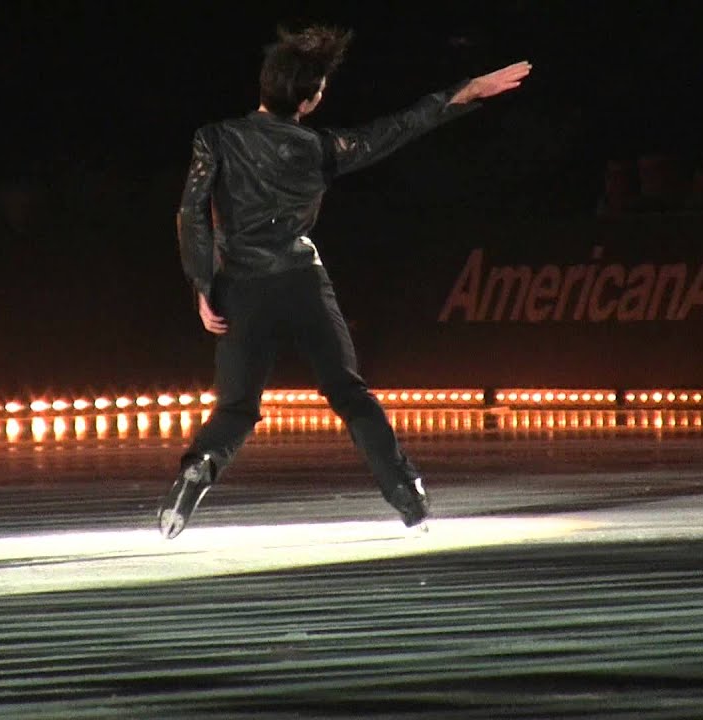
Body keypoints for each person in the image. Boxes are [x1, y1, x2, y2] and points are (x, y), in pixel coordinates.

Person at [158, 25, 532, 539]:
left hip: (240, 288)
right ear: (309, 100)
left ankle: (200, 464)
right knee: (348, 393)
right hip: (301, 283)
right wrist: (465, 92)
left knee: (236, 408)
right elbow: (398, 128)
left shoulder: (215, 138)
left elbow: (191, 212)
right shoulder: (322, 147)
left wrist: (202, 285)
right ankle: (407, 495)